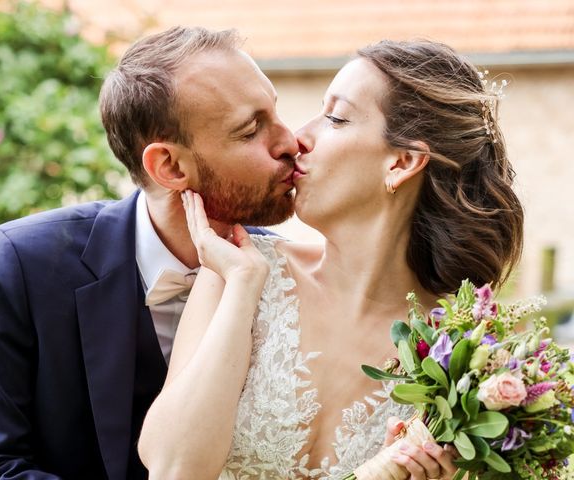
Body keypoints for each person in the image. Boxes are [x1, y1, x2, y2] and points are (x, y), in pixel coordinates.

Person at [138, 39, 524, 480]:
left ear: (401, 162)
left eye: (336, 118)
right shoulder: (238, 269)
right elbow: (173, 468)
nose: (299, 138)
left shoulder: (461, 355)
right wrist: (243, 288)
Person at [0, 26, 299, 479]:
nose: (292, 143)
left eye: (276, 113)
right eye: (251, 130)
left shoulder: (297, 277)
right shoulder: (19, 264)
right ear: (168, 166)